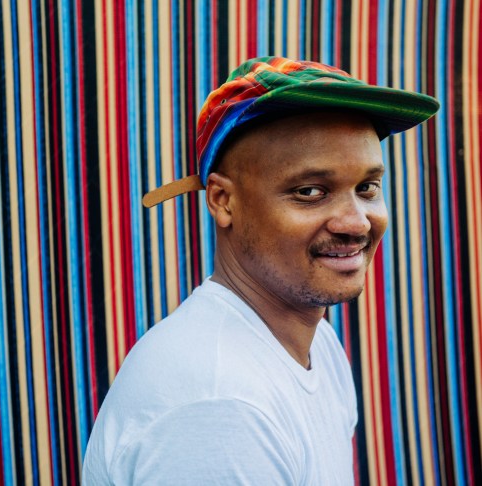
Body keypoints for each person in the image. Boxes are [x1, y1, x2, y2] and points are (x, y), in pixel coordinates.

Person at [82, 57, 439, 485]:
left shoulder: (316, 344)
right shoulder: (220, 407)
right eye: (310, 191)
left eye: (367, 188)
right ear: (222, 200)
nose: (357, 222)